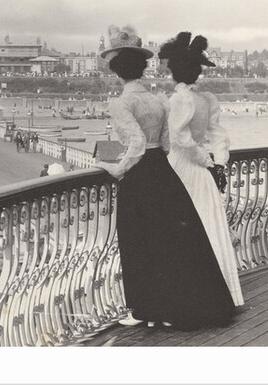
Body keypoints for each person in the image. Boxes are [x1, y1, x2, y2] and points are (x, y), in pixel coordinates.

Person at [96, 29, 235, 330]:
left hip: (139, 173)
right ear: (141, 68)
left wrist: (116, 169)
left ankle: (144, 309)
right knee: (167, 243)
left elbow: (134, 143)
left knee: (138, 242)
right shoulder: (160, 100)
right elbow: (166, 142)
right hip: (163, 170)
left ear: (117, 71)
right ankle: (169, 308)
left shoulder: (120, 103)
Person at [158, 31, 244, 310]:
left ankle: (183, 297)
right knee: (208, 227)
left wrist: (207, 162)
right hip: (202, 172)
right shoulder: (207, 99)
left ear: (175, 73)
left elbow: (180, 139)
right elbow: (219, 136)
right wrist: (218, 163)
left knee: (178, 230)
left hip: (182, 168)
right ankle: (217, 293)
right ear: (196, 72)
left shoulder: (179, 100)